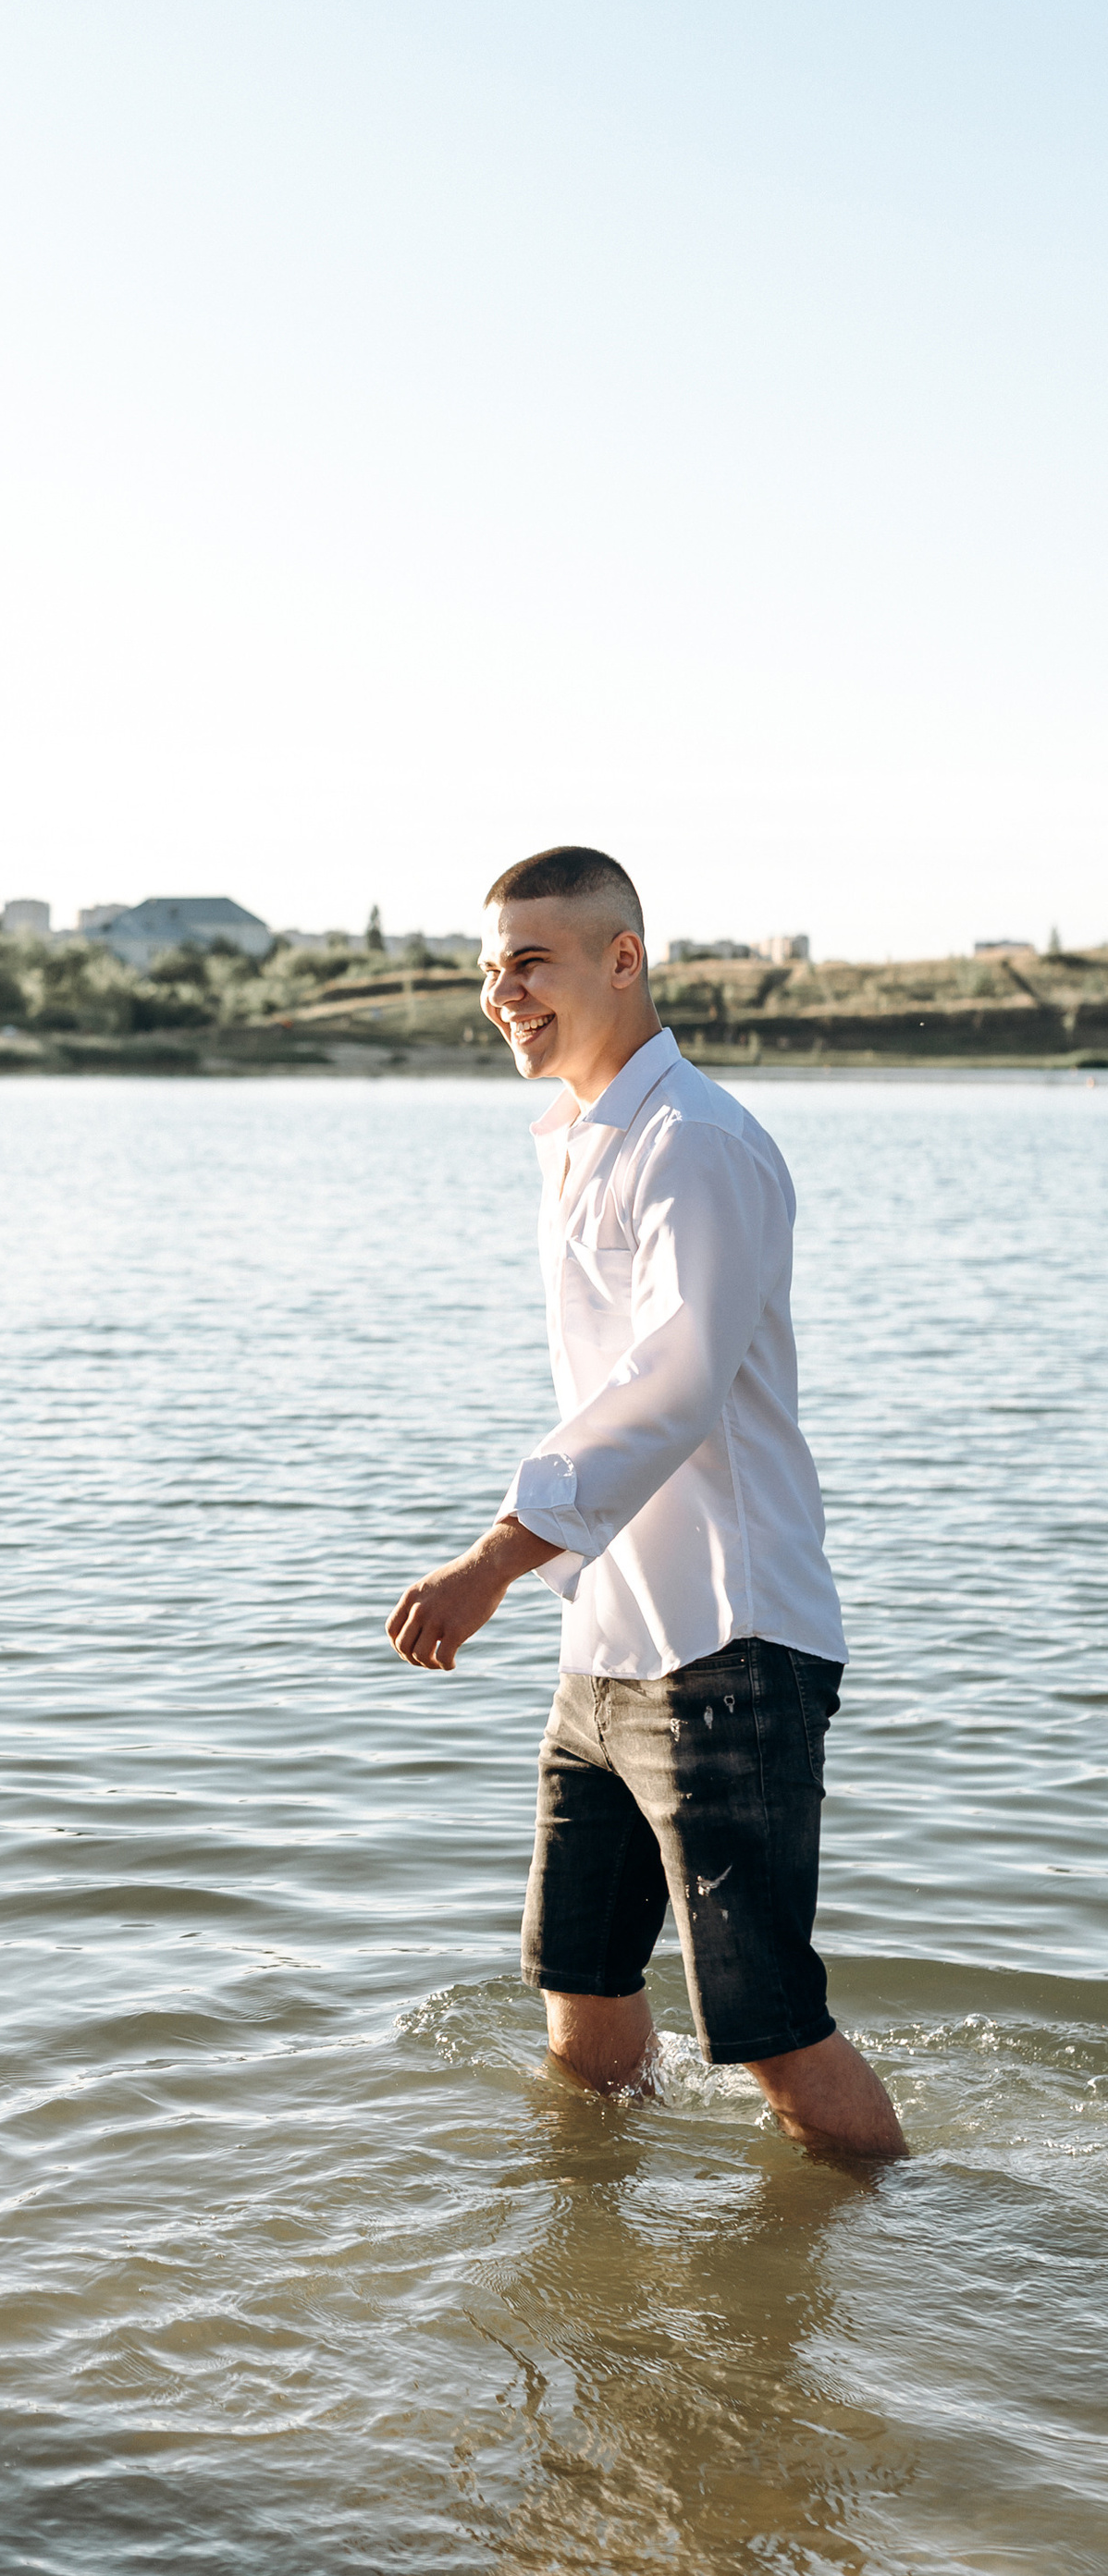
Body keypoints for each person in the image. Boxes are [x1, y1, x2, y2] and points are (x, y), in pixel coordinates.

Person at [385, 845, 905, 2163]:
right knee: (583, 1989)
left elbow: (672, 1390)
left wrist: (495, 1560)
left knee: (774, 2030)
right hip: (608, 1646)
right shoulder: (580, 1139)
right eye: (492, 969)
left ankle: (893, 2259)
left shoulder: (697, 1144)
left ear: (625, 959)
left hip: (730, 1646)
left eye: (534, 963)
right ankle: (595, 2277)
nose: (504, 993)